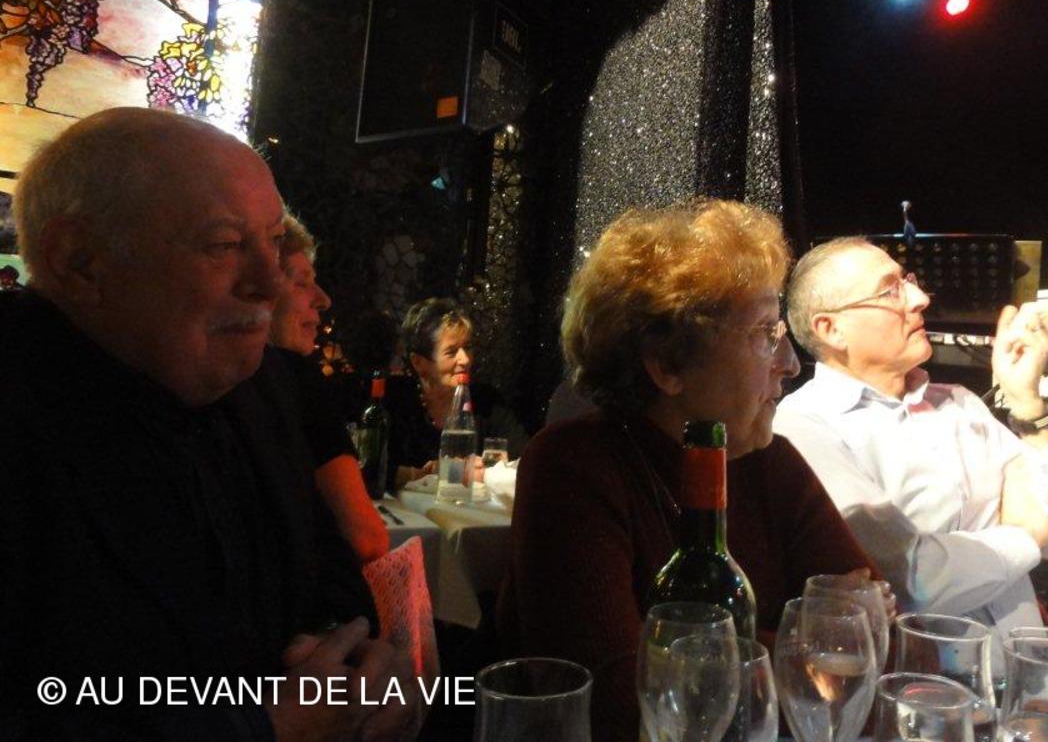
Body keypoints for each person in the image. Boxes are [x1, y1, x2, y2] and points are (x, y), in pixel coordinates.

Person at [1, 108, 421, 741]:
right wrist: (262, 729)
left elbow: (325, 561)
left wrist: (354, 657)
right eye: (223, 245)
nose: (269, 283)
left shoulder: (266, 384)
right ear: (80, 262)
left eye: (273, 242)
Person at [497, 200, 881, 742]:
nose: (791, 364)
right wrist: (799, 648)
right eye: (764, 333)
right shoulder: (573, 466)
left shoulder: (772, 463)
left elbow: (867, 638)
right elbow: (618, 702)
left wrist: (696, 657)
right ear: (667, 365)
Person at [774, 236, 1048, 649]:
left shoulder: (960, 404)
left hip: (1026, 669)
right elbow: (912, 583)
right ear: (831, 329)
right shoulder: (806, 426)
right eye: (890, 291)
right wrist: (1026, 533)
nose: (919, 299)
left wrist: (1028, 404)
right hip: (923, 681)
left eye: (908, 282)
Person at [270, 213, 390, 564]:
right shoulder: (295, 379)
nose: (323, 299)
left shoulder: (201, 382)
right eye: (302, 283)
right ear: (259, 290)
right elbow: (367, 539)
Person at [386, 297, 527, 490]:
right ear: (418, 362)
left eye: (467, 348)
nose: (465, 359)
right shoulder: (395, 400)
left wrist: (481, 472)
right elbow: (373, 469)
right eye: (451, 352)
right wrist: (426, 473)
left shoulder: (486, 401)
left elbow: (525, 460)